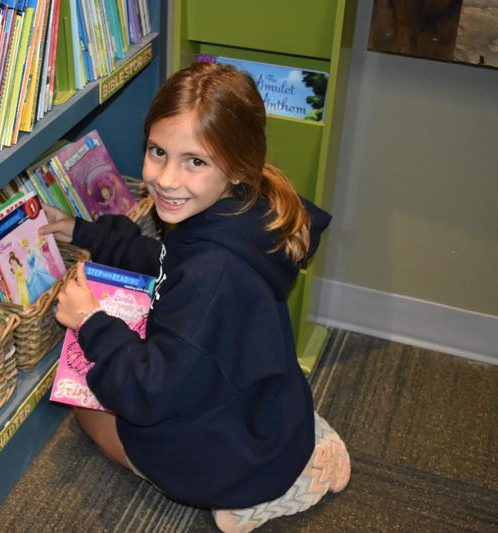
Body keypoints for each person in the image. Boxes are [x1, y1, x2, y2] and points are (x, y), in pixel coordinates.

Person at [39, 62, 350, 532]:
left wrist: (91, 324)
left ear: (236, 168)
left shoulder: (212, 273)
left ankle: (261, 490)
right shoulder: (235, 214)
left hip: (225, 444)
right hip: (255, 407)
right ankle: (290, 448)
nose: (165, 178)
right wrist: (89, 233)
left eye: (194, 161)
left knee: (89, 412)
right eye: (158, 151)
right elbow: (167, 260)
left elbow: (150, 393)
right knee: (109, 392)